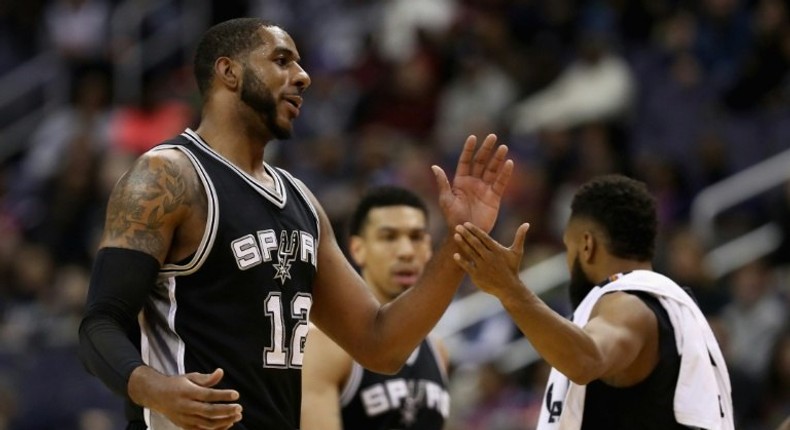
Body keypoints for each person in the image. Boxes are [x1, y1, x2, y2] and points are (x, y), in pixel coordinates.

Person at [77, 17, 513, 430]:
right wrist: (158, 390)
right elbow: (100, 323)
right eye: (282, 60)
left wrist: (462, 242)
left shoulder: (302, 201)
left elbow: (380, 344)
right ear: (228, 72)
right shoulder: (168, 176)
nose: (303, 76)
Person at [451, 174, 734, 429]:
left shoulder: (626, 304)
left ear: (587, 245)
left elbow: (586, 360)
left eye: (568, 246)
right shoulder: (673, 304)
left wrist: (509, 290)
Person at [301, 185, 451, 430]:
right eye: (389, 237)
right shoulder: (324, 345)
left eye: (416, 237)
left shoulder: (438, 350)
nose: (405, 252)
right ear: (358, 249)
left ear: (428, 247)